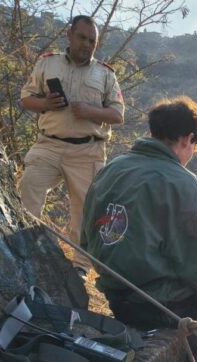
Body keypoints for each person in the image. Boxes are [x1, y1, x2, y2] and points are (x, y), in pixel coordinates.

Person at [80, 96, 197, 362]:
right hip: (163, 303)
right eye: (193, 147)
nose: (191, 154)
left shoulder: (111, 169)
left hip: (119, 298)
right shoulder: (181, 182)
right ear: (188, 138)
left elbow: (85, 237)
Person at [19, 15, 124, 277]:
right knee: (29, 186)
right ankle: (25, 248)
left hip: (87, 151)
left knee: (85, 211)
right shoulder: (48, 63)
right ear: (70, 34)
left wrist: (90, 110)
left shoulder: (105, 74)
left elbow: (118, 115)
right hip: (49, 145)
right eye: (82, 37)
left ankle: (80, 266)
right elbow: (26, 98)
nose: (86, 44)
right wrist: (45, 104)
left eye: (92, 40)